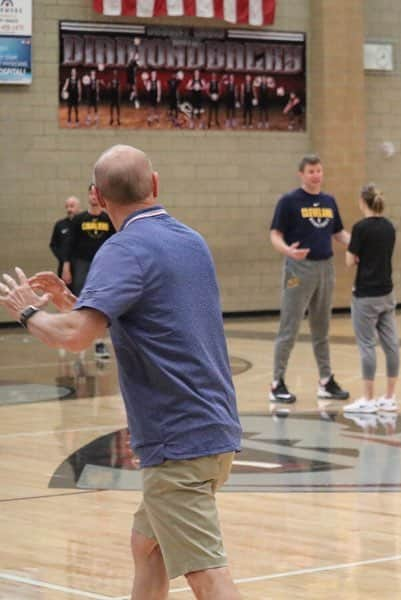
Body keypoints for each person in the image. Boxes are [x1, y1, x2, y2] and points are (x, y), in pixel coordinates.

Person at [0, 144, 243, 600]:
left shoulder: (124, 249)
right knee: (147, 547)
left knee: (206, 576)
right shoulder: (189, 239)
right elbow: (143, 321)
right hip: (214, 429)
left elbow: (75, 336)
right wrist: (73, 301)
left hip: (178, 442)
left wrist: (27, 312)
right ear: (155, 184)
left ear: (96, 196)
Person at [269, 154, 351, 404]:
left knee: (322, 327)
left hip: (325, 268)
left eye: (319, 171)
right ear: (301, 174)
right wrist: (288, 251)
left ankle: (326, 380)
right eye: (311, 171)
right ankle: (276, 382)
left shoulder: (329, 201)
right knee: (290, 326)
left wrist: (359, 246)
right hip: (298, 268)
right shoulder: (289, 201)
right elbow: (274, 234)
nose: (316, 175)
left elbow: (338, 233)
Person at [342, 184, 400, 414]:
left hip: (365, 294)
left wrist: (357, 256)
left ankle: (368, 398)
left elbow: (349, 261)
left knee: (367, 345)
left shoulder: (360, 228)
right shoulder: (390, 227)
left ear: (362, 202)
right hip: (387, 292)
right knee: (391, 344)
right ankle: (390, 397)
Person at [62, 183, 116, 358]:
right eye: (90, 193)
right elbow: (69, 245)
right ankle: (79, 340)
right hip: (81, 264)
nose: (93, 196)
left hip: (103, 265)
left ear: (100, 196)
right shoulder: (79, 220)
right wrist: (66, 266)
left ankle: (100, 343)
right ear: (88, 196)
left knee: (101, 305)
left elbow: (116, 243)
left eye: (96, 193)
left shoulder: (108, 219)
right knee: (79, 302)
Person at [50, 196, 80, 280]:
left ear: (78, 207)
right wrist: (62, 258)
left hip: (79, 265)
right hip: (63, 265)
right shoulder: (60, 224)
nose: (69, 209)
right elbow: (53, 244)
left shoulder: (83, 223)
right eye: (67, 206)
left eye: (72, 206)